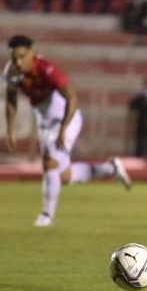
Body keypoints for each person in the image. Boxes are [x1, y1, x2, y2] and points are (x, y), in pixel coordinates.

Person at [3, 35, 131, 227]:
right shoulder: (11, 72)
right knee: (64, 176)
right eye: (14, 58)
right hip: (45, 122)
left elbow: (72, 98)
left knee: (49, 162)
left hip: (66, 119)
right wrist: (10, 129)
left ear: (32, 53)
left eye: (22, 57)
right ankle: (111, 168)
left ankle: (46, 215)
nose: (18, 62)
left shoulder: (47, 69)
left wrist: (63, 129)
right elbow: (11, 101)